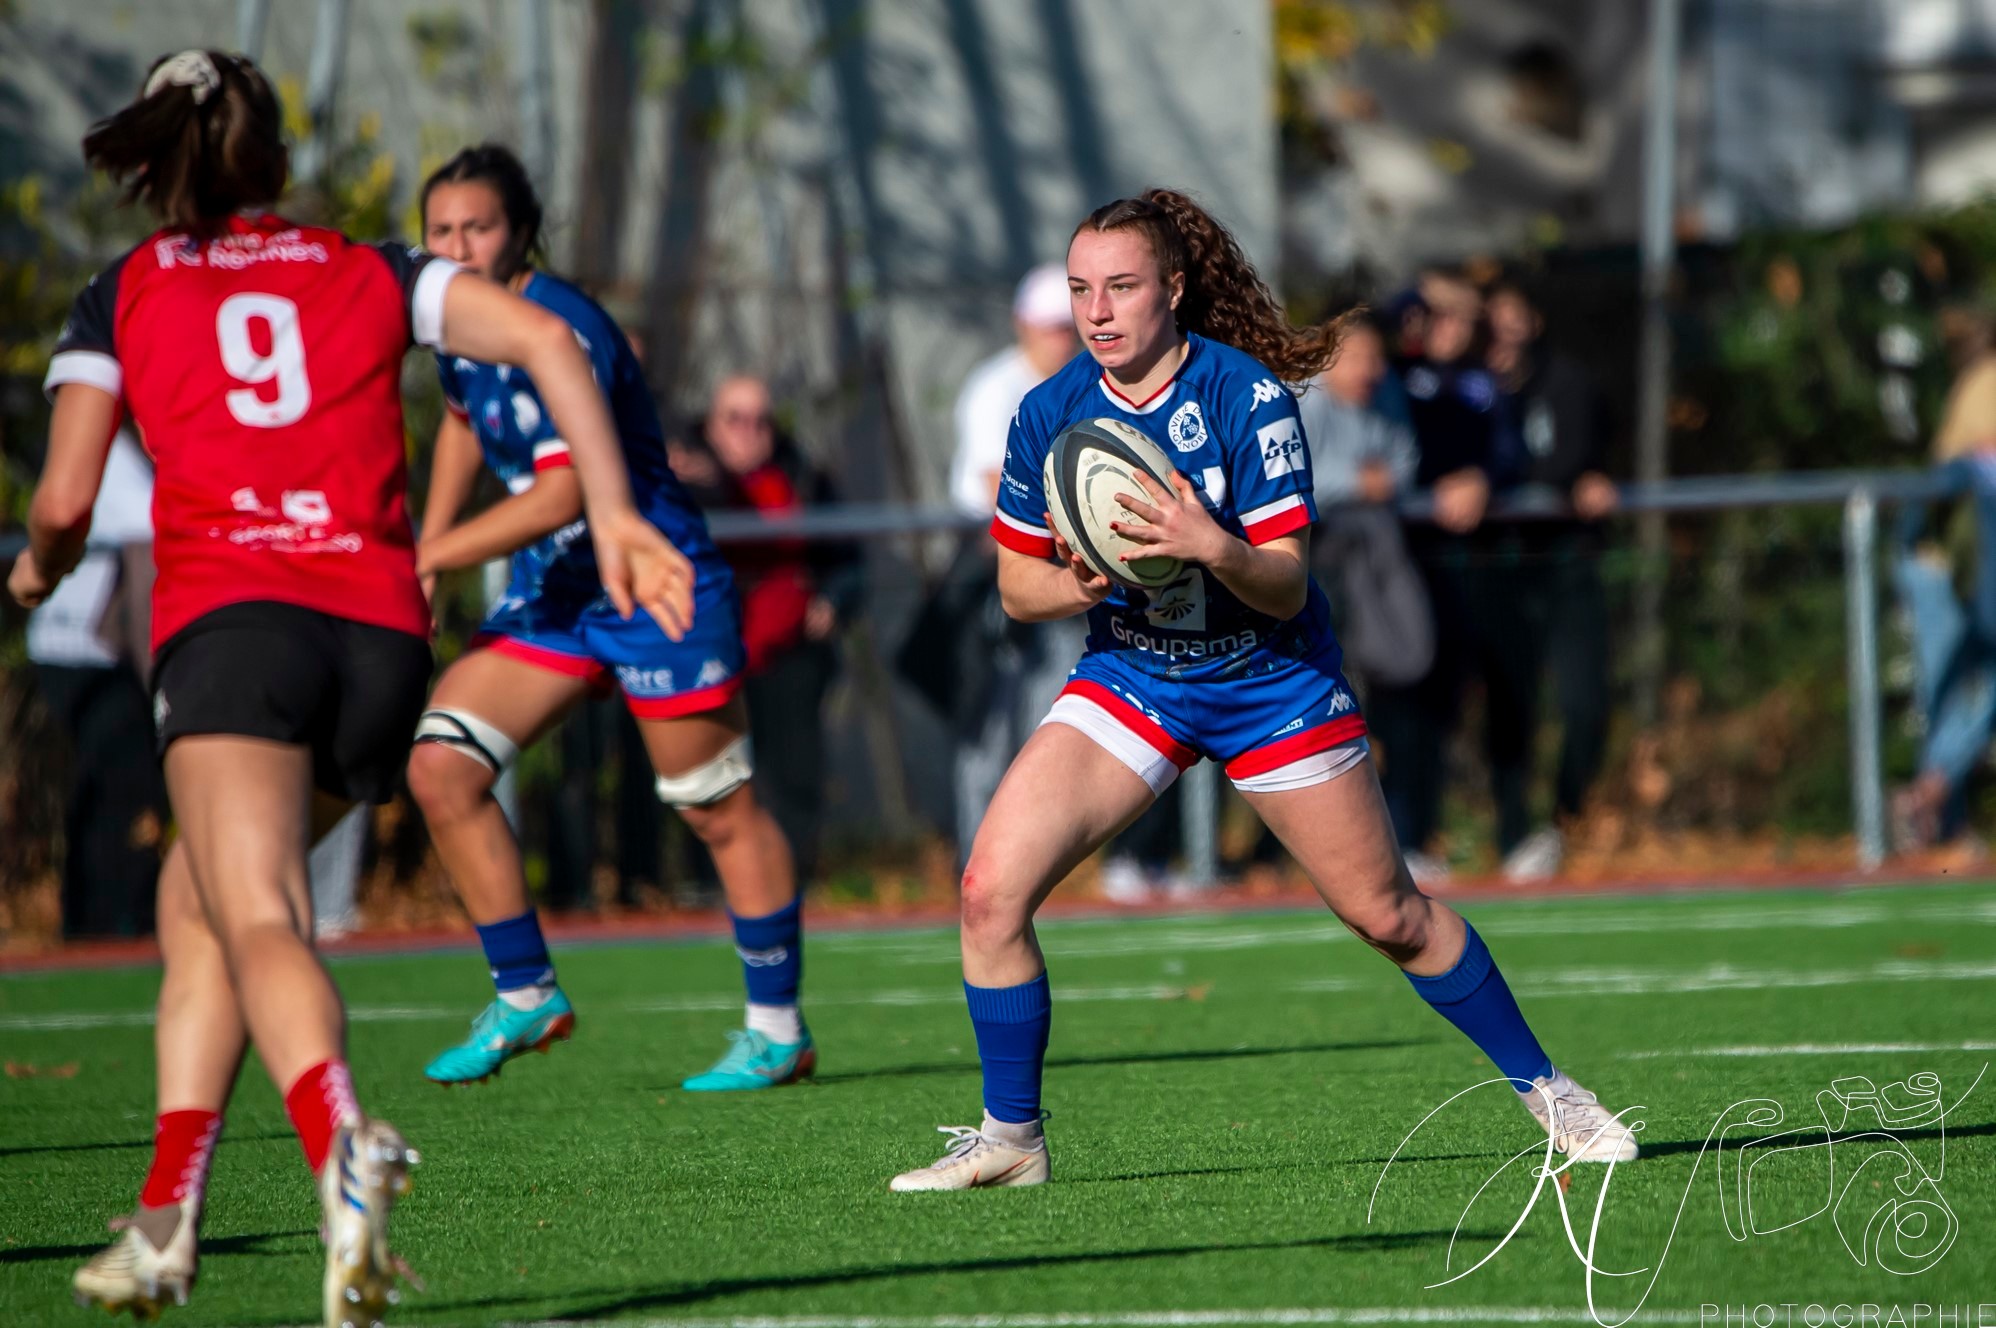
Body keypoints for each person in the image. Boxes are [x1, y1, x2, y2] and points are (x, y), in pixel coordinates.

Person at [9, 52, 693, 1325]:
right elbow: (548, 335)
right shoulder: (373, 267)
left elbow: (62, 501)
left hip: (239, 632)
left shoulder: (127, 287)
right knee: (196, 903)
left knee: (256, 909)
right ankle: (163, 1220)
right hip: (379, 639)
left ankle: (345, 1140)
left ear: (155, 165)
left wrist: (38, 572)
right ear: (277, 159)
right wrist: (610, 509)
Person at [886, 189, 1637, 1192]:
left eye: (1120, 286)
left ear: (1173, 289)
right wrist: (1082, 581)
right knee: (989, 892)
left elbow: (1284, 579)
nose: (1097, 311)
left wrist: (1209, 544)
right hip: (1135, 676)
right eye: (1080, 289)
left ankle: (1552, 1092)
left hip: (1268, 681)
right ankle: (1011, 1139)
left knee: (1390, 916)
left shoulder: (1244, 397)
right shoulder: (1049, 411)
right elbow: (1018, 587)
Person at [410, 145, 813, 1094]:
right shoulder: (456, 326)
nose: (458, 247)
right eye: (440, 231)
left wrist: (430, 556)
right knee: (441, 769)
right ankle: (524, 993)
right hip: (559, 594)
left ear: (522, 232)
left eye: (479, 227)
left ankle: (777, 1029)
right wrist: (432, 538)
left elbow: (562, 494)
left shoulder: (564, 327)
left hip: (651, 582)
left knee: (716, 808)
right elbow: (464, 420)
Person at [669, 374, 862, 886]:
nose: (748, 432)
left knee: (792, 771)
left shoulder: (802, 475)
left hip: (786, 649)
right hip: (709, 647)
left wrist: (833, 600)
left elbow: (847, 558)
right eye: (734, 419)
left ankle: (792, 878)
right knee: (710, 773)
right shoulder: (683, 477)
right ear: (710, 426)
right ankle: (706, 884)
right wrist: (696, 478)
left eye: (761, 421)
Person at [1369, 274, 1518, 881]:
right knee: (1397, 704)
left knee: (1447, 706)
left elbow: (1508, 452)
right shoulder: (1397, 376)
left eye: (1460, 315)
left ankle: (1423, 835)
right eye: (1437, 314)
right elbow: (1387, 314)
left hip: (1466, 566)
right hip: (1397, 566)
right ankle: (1394, 836)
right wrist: (1425, 290)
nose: (1448, 325)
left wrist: (1482, 480)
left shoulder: (1482, 384)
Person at [943, 264, 1087, 865]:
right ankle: (979, 857)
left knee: (1049, 720)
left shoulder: (1087, 384)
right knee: (990, 720)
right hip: (997, 566)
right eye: (1050, 327)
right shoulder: (996, 386)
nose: (1060, 339)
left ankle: (1029, 858)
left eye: (1067, 328)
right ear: (1022, 324)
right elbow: (993, 487)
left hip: (1065, 568)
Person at [1484, 280, 1617, 880]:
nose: (1504, 332)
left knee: (1585, 703)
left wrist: (1590, 477)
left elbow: (1584, 453)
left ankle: (1565, 817)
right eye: (1494, 321)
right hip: (1501, 569)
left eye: (1514, 316)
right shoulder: (1475, 392)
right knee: (1510, 708)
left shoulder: (1568, 384)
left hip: (1567, 565)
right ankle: (1513, 834)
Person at [25, 427, 167, 939]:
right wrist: (161, 688)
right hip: (90, 656)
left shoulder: (126, 458)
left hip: (86, 654)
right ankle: (110, 927)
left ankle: (93, 922)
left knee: (104, 794)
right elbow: (143, 586)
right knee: (123, 794)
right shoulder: (115, 459)